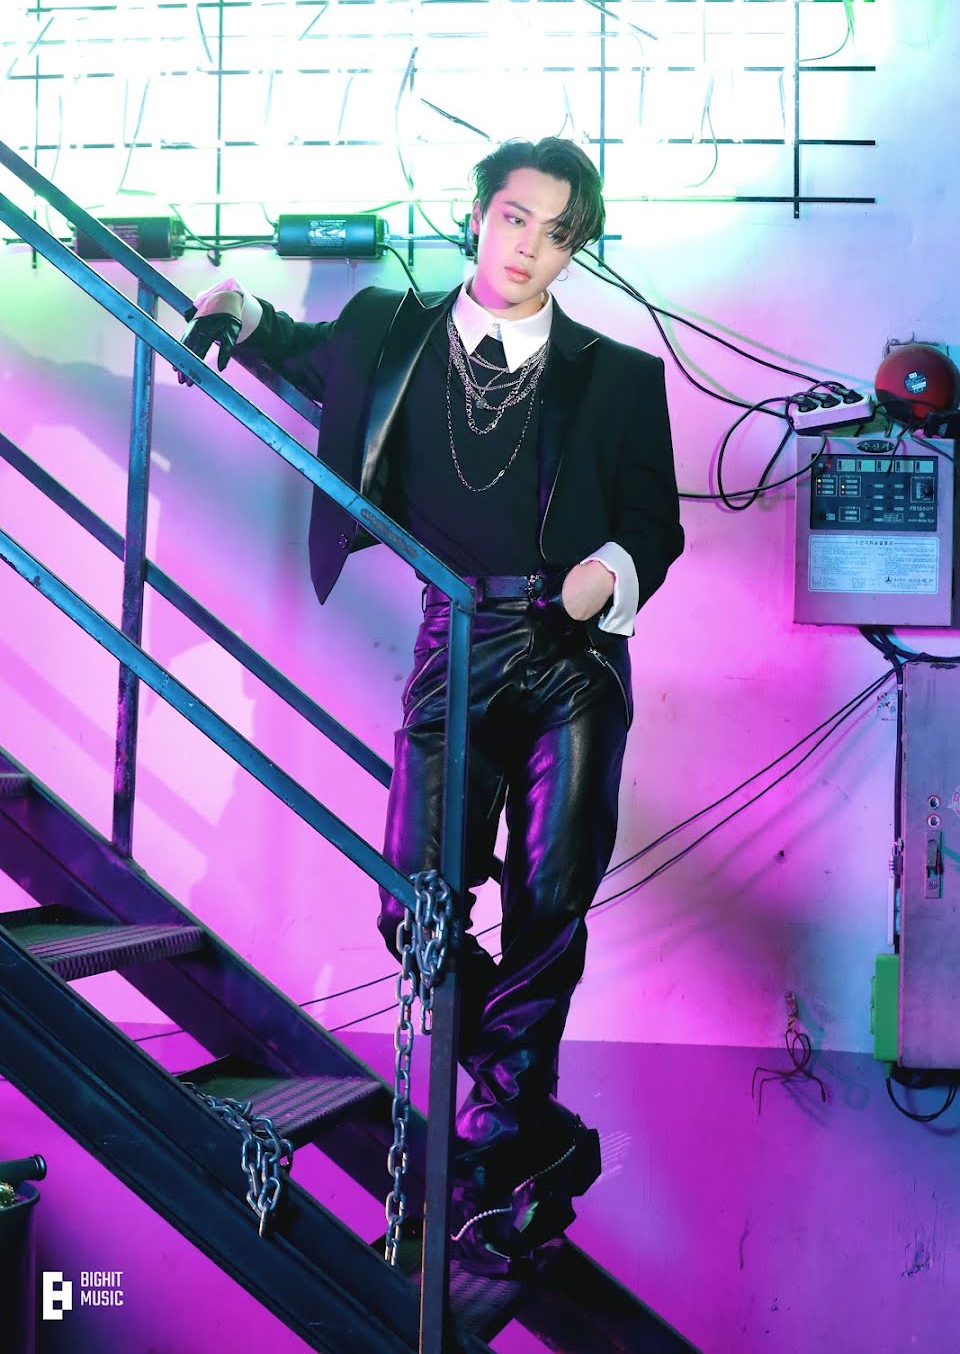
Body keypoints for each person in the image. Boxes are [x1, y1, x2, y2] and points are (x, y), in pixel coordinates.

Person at [178, 137, 684, 1276]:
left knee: (548, 907)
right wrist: (235, 307)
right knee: (415, 905)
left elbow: (656, 524)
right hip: (453, 644)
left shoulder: (617, 376)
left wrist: (609, 572)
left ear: (575, 250)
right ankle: (539, 1136)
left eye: (557, 234)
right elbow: (288, 343)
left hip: (572, 657)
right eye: (515, 218)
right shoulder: (388, 334)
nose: (529, 248)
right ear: (478, 214)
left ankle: (495, 1154)